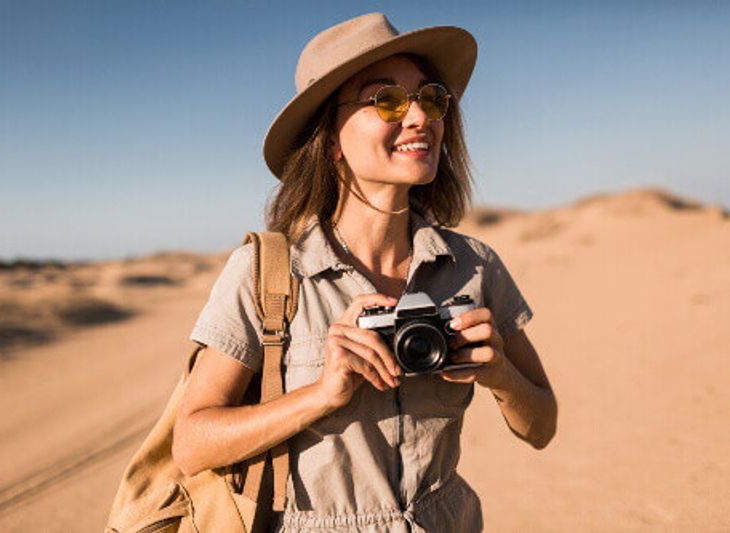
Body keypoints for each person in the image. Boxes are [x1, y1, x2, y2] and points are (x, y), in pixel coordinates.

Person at [172, 13, 557, 532]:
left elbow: (542, 427)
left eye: (431, 98)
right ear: (330, 138)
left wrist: (500, 374)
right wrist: (322, 394)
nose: (421, 117)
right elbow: (191, 445)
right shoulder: (267, 276)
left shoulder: (474, 266)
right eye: (388, 100)